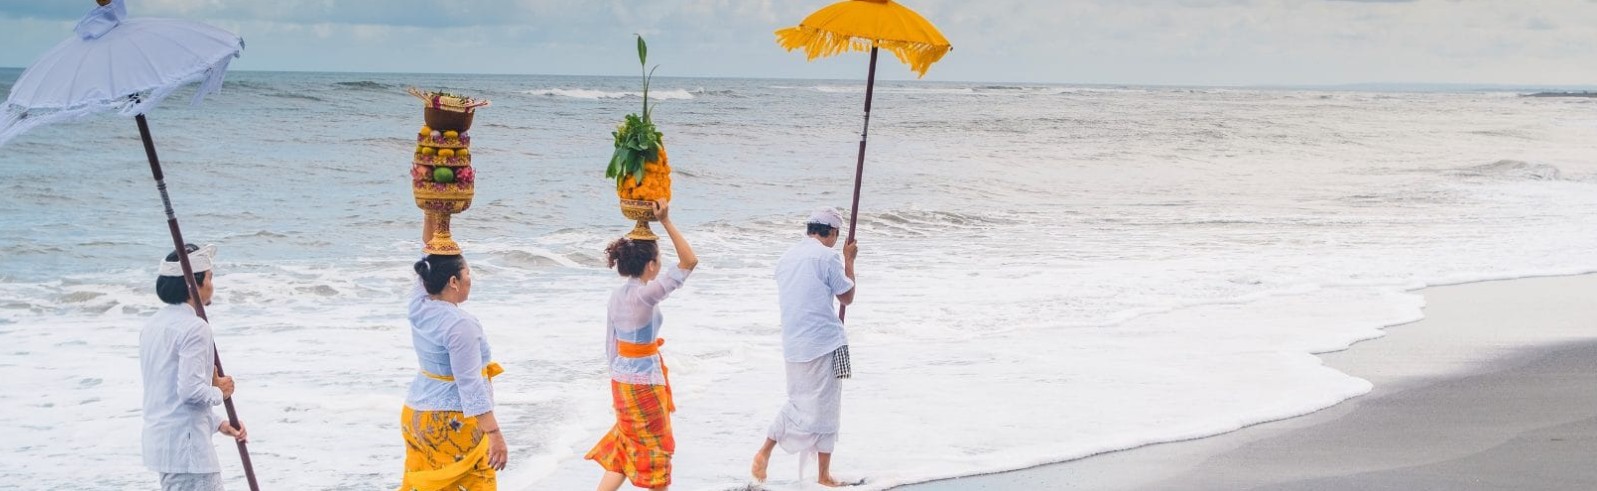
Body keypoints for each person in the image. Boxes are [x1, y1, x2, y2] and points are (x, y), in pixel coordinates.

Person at [587, 200, 699, 491]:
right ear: (651, 265)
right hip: (645, 383)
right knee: (657, 450)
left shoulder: (617, 296)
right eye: (659, 259)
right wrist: (666, 221)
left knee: (626, 446)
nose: (661, 264)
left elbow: (610, 345)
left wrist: (616, 380)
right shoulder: (645, 295)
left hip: (621, 380)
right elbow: (689, 261)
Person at [751, 208, 859, 487]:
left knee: (798, 402)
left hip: (793, 344)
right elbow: (847, 296)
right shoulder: (828, 257)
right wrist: (849, 260)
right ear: (831, 232)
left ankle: (766, 450)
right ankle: (823, 474)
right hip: (825, 342)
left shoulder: (786, 258)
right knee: (827, 408)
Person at [398, 218, 508, 490]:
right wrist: (495, 434)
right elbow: (469, 385)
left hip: (416, 416)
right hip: (451, 421)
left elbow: (430, 253)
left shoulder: (419, 303)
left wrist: (432, 213)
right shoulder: (460, 325)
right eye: (468, 274)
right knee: (477, 482)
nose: (471, 280)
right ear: (453, 282)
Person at [140, 243, 248, 491]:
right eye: (210, 277)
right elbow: (190, 393)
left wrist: (218, 423)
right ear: (193, 284)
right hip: (189, 453)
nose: (212, 284)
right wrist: (220, 391)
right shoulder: (195, 328)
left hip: (164, 445)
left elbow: (168, 394)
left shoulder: (153, 325)